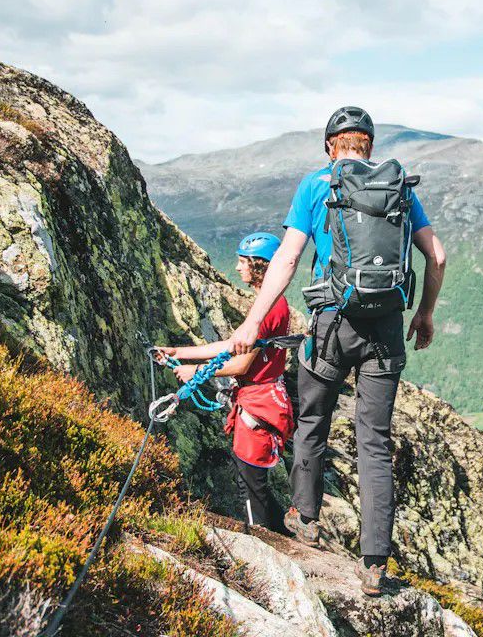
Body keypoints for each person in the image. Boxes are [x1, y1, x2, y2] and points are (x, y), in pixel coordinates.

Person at [228, 106, 447, 596]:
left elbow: (286, 258)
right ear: (368, 144)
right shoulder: (399, 187)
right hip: (386, 329)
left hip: (332, 326)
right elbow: (437, 256)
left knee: (313, 422)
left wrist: (251, 320)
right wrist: (424, 314)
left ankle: (305, 519)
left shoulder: (316, 185)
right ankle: (373, 564)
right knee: (375, 443)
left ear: (331, 146)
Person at [157, 232, 292, 533]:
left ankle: (264, 542)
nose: (238, 268)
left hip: (257, 403)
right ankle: (283, 534)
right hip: (260, 399)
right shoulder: (268, 305)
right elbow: (233, 345)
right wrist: (178, 352)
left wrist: (196, 372)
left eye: (243, 262)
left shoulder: (268, 310)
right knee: (254, 481)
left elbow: (241, 362)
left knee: (250, 484)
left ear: (259, 266)